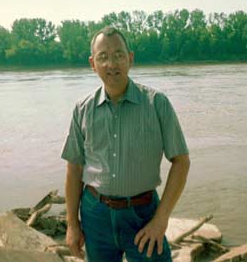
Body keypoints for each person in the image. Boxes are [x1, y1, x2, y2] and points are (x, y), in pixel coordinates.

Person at [61, 26, 190, 262]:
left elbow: (181, 162)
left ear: (130, 58)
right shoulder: (82, 109)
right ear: (93, 63)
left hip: (143, 215)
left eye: (119, 55)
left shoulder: (157, 104)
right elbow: (74, 169)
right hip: (95, 214)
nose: (112, 63)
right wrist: (72, 225)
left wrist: (161, 220)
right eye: (103, 57)